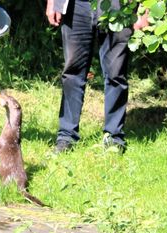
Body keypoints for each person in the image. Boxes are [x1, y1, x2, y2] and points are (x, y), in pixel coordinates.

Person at [46, 0, 148, 153]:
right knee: (72, 72)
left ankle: (114, 137)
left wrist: (145, 9)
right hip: (76, 5)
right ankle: (66, 136)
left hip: (119, 5)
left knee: (116, 73)